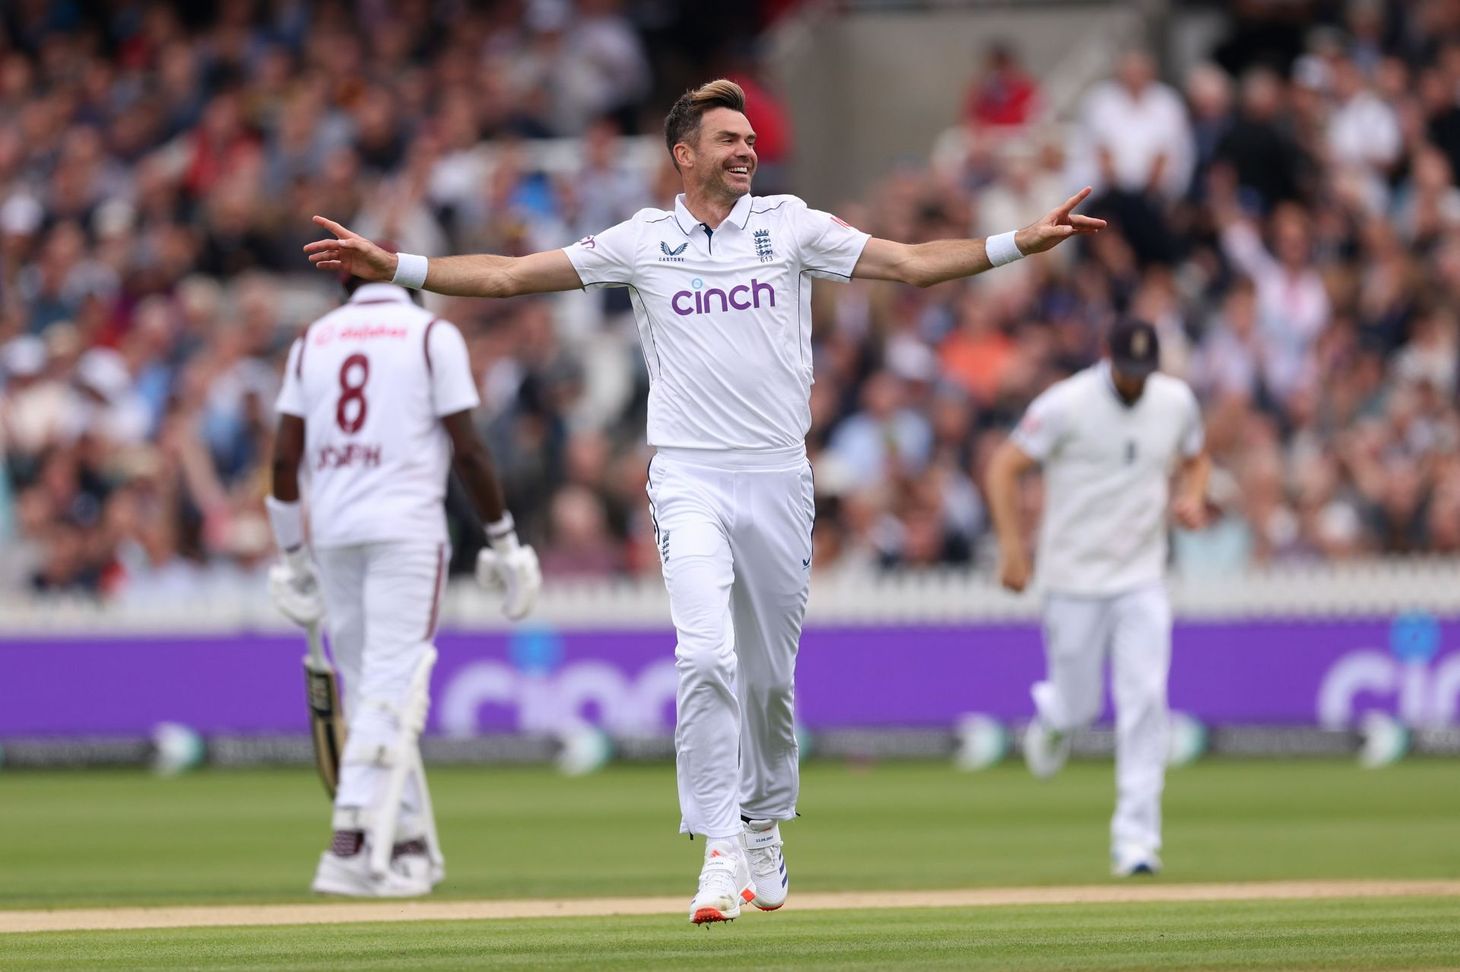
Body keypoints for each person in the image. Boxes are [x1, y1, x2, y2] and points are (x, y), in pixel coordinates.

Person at [302, 78, 1104, 923]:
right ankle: (719, 848)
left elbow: (907, 263)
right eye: (728, 139)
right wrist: (397, 266)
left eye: (750, 138)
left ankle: (763, 823)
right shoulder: (643, 241)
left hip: (777, 477)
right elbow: (507, 277)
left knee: (768, 683)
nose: (747, 149)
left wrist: (1019, 242)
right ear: (684, 156)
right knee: (705, 658)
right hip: (687, 475)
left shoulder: (788, 223)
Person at [265, 271, 542, 897]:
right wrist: (504, 539)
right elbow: (468, 449)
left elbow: (284, 457)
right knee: (393, 684)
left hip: (334, 531)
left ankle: (410, 844)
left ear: (343, 291)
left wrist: (291, 556)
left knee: (372, 690)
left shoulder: (313, 340)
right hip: (406, 529)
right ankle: (350, 841)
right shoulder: (429, 334)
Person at [984, 320, 1210, 877]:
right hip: (1073, 579)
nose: (1135, 384)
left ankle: (1136, 840)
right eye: (1126, 372)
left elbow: (1196, 456)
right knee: (1081, 704)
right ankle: (1056, 718)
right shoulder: (1067, 404)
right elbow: (1003, 466)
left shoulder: (1175, 401)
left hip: (1142, 577)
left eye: (1143, 374)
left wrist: (1193, 497)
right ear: (1107, 357)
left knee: (1145, 700)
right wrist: (1013, 549)